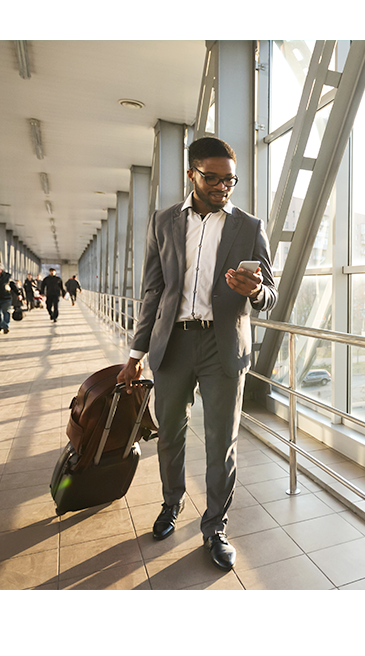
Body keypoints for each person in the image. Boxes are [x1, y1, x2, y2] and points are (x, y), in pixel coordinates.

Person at [117, 137, 277, 571]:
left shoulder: (250, 226)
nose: (223, 186)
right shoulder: (163, 221)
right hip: (172, 343)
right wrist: (135, 353)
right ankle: (172, 503)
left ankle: (215, 527)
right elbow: (153, 291)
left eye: (230, 180)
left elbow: (271, 293)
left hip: (222, 345)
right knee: (169, 433)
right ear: (192, 174)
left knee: (222, 442)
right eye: (213, 178)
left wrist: (256, 291)